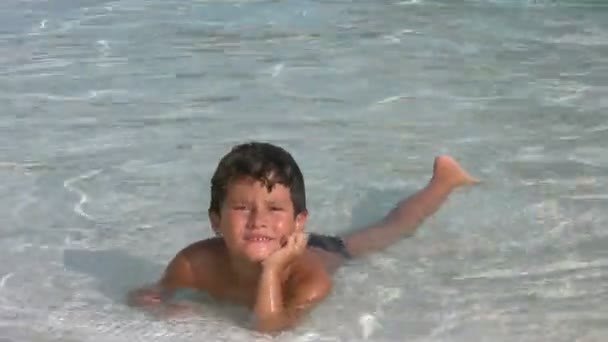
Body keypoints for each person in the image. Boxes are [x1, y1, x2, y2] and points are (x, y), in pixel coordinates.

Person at [128, 141, 478, 333]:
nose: (258, 221)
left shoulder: (312, 279)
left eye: (275, 209)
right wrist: (163, 308)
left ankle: (445, 180)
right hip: (290, 246)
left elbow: (268, 328)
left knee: (392, 228)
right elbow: (144, 295)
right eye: (242, 208)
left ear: (299, 222)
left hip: (326, 252)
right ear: (215, 220)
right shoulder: (194, 264)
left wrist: (271, 270)